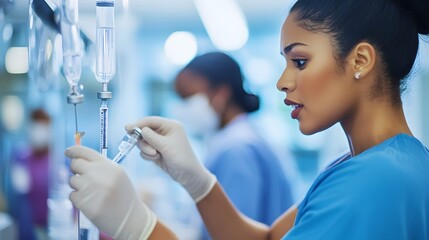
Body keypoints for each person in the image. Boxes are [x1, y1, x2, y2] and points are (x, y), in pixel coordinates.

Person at [65, 0, 429, 239]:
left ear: (361, 61)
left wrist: (136, 225)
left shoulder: (374, 182)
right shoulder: (372, 164)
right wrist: (200, 184)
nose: (282, 81)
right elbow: (269, 239)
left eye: (299, 61)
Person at [173, 52, 294, 238]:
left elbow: (234, 232)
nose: (184, 108)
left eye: (189, 97)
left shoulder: (236, 150)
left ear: (221, 93)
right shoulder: (244, 137)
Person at [10, 108, 51, 240]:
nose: (39, 132)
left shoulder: (56, 161)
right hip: (27, 229)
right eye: (36, 127)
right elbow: (19, 196)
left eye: (43, 127)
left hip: (52, 228)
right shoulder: (21, 158)